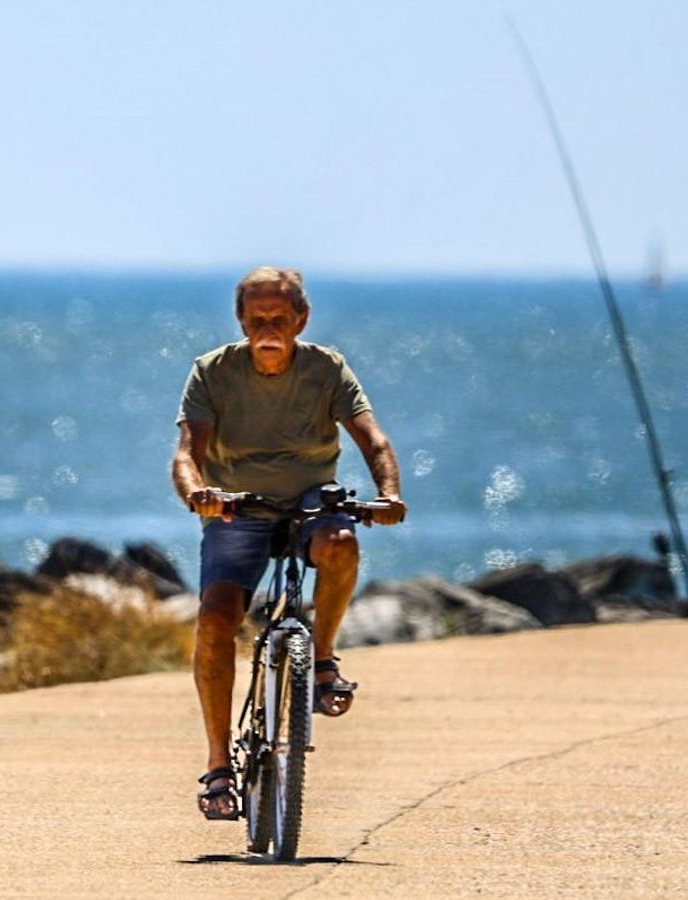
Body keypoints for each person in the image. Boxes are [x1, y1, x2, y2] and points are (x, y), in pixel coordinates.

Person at [170, 266, 407, 820]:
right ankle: (217, 765)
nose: (268, 329)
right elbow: (186, 453)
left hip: (309, 504)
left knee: (342, 543)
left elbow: (373, 439)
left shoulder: (327, 369)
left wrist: (389, 493)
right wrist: (198, 493)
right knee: (216, 619)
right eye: (257, 320)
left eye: (279, 319)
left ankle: (322, 659)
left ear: (301, 319)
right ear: (241, 321)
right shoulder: (212, 371)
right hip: (238, 508)